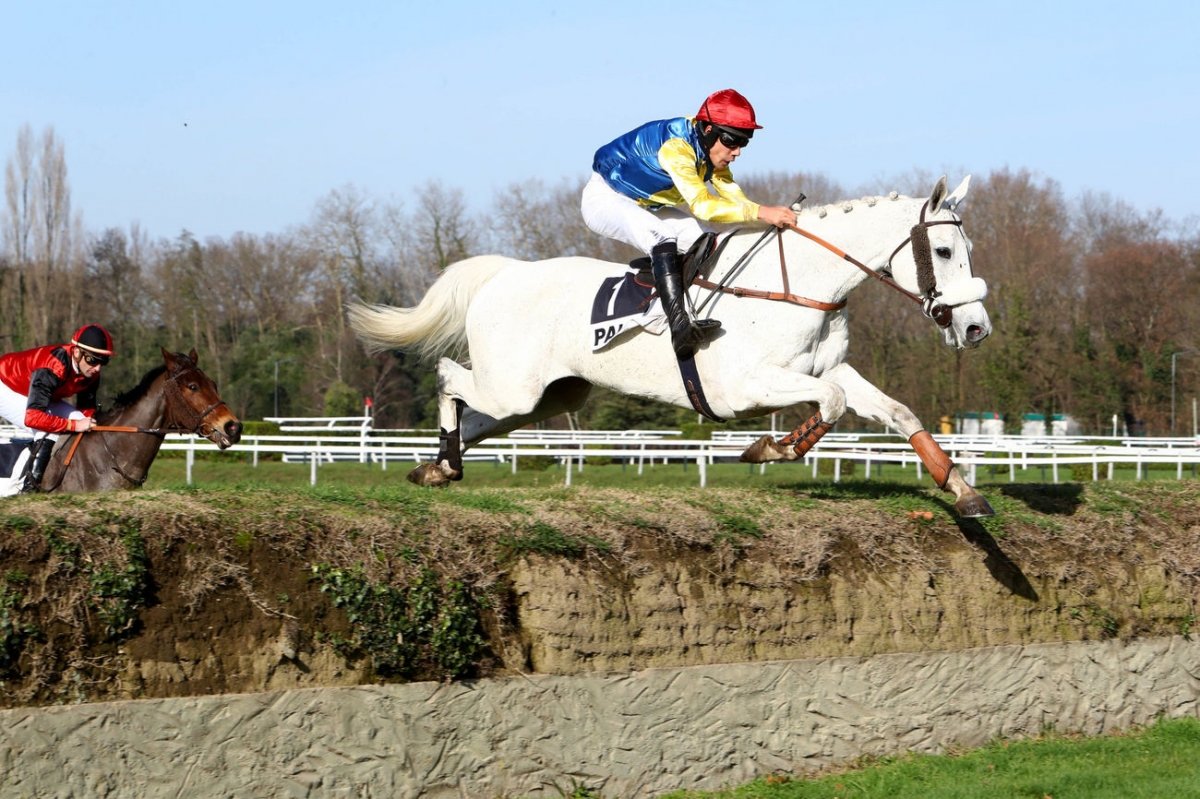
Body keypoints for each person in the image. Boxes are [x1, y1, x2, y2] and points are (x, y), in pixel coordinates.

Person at [582, 88, 797, 359]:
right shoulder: (677, 148)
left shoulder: (710, 148)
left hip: (646, 204)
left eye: (744, 142)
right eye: (732, 141)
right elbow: (703, 206)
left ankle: (695, 303)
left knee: (709, 240)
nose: (737, 152)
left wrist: (766, 220)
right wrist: (762, 213)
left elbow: (733, 197)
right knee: (662, 238)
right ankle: (679, 328)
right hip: (606, 199)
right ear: (708, 130)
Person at [0, 324, 114, 492]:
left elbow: (86, 411)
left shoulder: (91, 373)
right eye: (93, 360)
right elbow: (33, 418)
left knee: (80, 419)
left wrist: (87, 423)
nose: (97, 368)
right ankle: (26, 489)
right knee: (46, 431)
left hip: (34, 394)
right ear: (77, 352)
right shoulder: (54, 366)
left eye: (103, 361)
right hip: (5, 386)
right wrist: (73, 425)